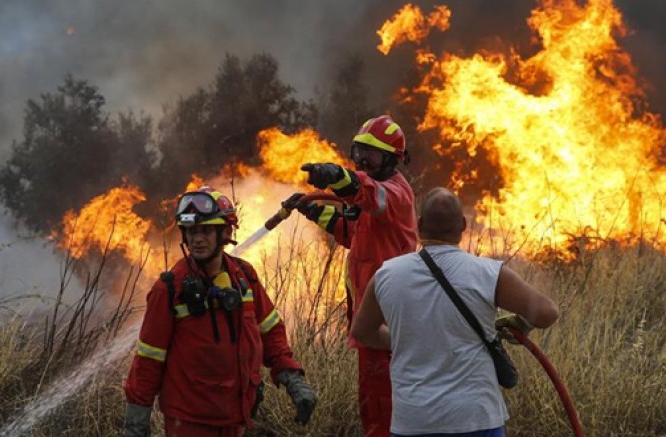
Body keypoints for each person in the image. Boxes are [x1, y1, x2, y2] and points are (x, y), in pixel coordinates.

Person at [350, 187, 560, 437]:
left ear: (419, 225)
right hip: (475, 419)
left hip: (414, 421)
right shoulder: (487, 273)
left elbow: (362, 332)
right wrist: (521, 323)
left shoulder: (387, 275)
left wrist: (409, 339)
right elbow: (547, 313)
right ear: (462, 225)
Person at [123, 186, 317, 437]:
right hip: (190, 423)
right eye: (191, 231)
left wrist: (294, 380)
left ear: (226, 232)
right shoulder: (169, 289)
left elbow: (271, 333)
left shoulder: (244, 277)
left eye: (205, 230)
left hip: (237, 418)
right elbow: (148, 361)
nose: (197, 239)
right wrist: (136, 425)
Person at [283, 115, 416, 436]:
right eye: (359, 153)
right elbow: (353, 233)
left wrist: (337, 176)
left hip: (389, 318)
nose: (362, 161)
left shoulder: (395, 194)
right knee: (373, 400)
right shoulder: (370, 198)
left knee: (385, 404)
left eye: (371, 155)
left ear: (392, 159)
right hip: (370, 316)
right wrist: (314, 210)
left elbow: (367, 192)